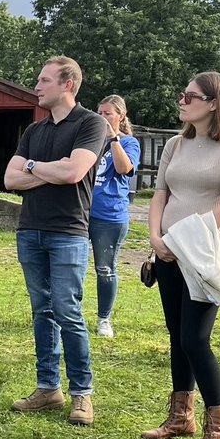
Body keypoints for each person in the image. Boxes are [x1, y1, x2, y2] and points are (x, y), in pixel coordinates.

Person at [142, 72, 220, 439]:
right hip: (168, 252)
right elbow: (160, 194)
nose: (182, 101)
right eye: (182, 94)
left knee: (194, 339)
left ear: (214, 103)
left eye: (190, 96)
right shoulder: (175, 143)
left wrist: (176, 239)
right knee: (176, 335)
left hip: (203, 253)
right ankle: (180, 417)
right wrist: (156, 238)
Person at [4, 56, 107, 426]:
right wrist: (47, 170)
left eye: (44, 80)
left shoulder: (92, 124)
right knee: (41, 311)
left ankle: (82, 394)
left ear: (67, 85)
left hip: (68, 232)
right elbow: (10, 179)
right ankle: (48, 388)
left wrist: (33, 168)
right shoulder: (35, 131)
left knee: (68, 311)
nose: (36, 86)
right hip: (30, 229)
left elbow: (76, 171)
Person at [89, 95, 141, 339]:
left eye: (108, 113)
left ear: (120, 116)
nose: (103, 118)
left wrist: (113, 138)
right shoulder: (89, 141)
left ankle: (104, 319)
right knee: (72, 267)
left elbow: (123, 168)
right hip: (80, 211)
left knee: (104, 268)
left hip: (109, 216)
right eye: (99, 113)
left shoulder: (129, 142)